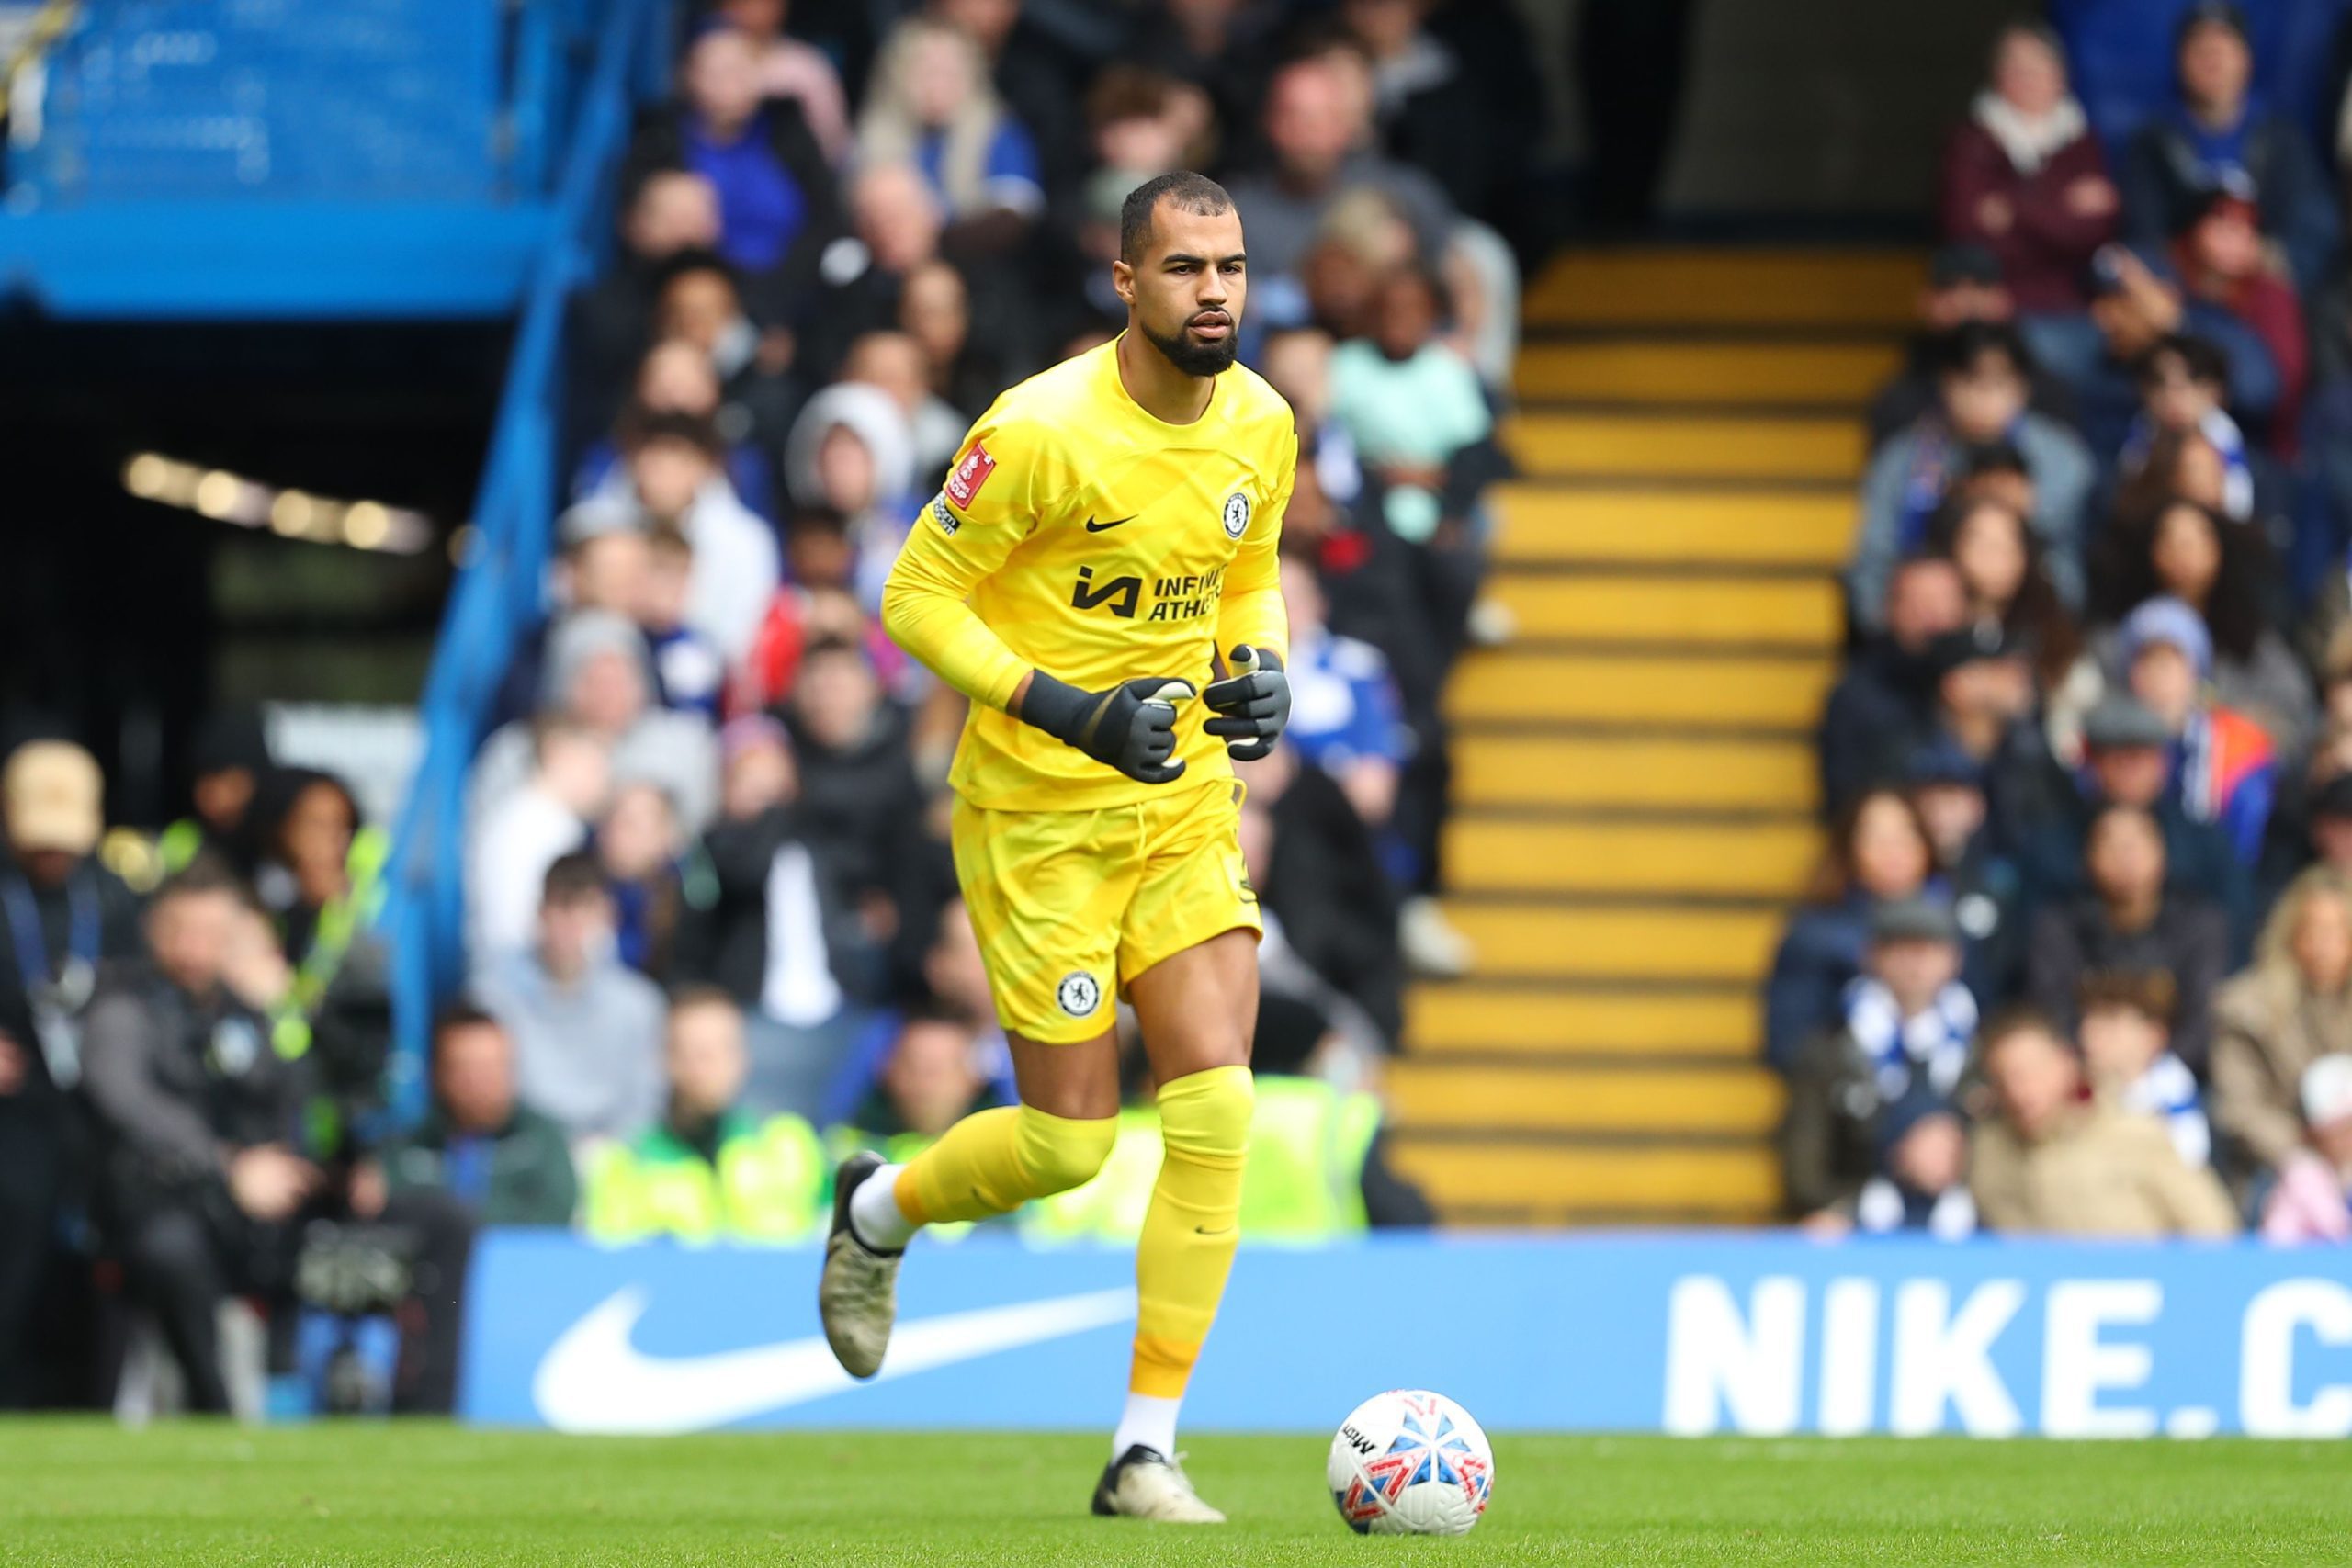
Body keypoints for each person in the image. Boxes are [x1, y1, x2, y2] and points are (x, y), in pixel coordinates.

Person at [820, 172, 1294, 1522]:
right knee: (1071, 1143)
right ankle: (880, 1209)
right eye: (1189, 267)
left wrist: (1258, 667)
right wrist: (1071, 708)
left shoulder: (1262, 422)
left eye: (1235, 267)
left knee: (1216, 1108)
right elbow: (913, 593)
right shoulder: (1036, 428)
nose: (1217, 291)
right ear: (1125, 281)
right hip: (1038, 818)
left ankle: (1145, 1447)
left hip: (1184, 803)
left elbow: (1247, 567)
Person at [0, 740, 143, 1407]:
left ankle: (93, 1399)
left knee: (101, 1260)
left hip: (96, 1110)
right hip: (13, 1116)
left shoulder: (113, 896)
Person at [1849, 322, 2093, 627]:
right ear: (1945, 384)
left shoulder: (2063, 460)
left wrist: (2026, 518)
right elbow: (1873, 562)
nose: (1983, 397)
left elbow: (2073, 569)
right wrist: (1890, 634)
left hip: (2032, 630)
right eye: (1970, 380)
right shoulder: (1900, 460)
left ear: (2022, 387)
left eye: (1998, 382)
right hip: (1923, 637)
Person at [1780, 897, 1978, 1237]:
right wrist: (1855, 1206)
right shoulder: (1831, 1050)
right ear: (1873, 957)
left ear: (1953, 960)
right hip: (1857, 1227)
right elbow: (1804, 1168)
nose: (1916, 964)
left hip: (1967, 1226)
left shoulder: (1979, 1050)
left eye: (1929, 950)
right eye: (1902, 949)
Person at [1939, 20, 2118, 379]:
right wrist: (2060, 210)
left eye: (2038, 68)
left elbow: (2094, 233)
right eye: (2016, 69)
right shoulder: (1971, 142)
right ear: (1997, 77)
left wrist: (2013, 210)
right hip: (1996, 304)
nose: (2028, 79)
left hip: (2073, 305)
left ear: (2060, 77)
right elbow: (1965, 230)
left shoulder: (2083, 145)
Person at [2121, 1, 2337, 293]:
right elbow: (2143, 234)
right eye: (2200, 50)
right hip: (2184, 294)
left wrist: (2262, 256)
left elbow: (2313, 223)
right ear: (2180, 62)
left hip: (2265, 289)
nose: (2213, 59)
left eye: (2223, 48)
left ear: (2246, 58)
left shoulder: (2281, 137)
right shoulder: (2152, 142)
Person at [583, 988, 828, 1242]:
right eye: (696, 1052)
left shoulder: (789, 1142)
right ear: (666, 1061)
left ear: (743, 1058)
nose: (711, 1065)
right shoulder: (625, 1164)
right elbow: (613, 1261)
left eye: (724, 1049)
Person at [1968, 1010, 2238, 1236]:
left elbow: (2212, 1228)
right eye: (2004, 1080)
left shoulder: (2134, 1135)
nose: (2020, 1091)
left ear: (2066, 1063)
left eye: (2031, 1072)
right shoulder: (1987, 1151)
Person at [474, 853, 666, 1147]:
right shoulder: (492, 998)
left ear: (609, 917)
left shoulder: (639, 1005)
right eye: (563, 907)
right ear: (540, 912)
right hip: (521, 1150)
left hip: (612, 1160)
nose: (573, 925)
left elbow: (646, 1105)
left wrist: (607, 1151)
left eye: (586, 909)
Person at [2027, 805, 2228, 1073]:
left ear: (2163, 852)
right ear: (2088, 857)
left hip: (2174, 1077)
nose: (2125, 855)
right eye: (2110, 843)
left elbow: (2203, 1022)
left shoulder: (2200, 923)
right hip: (2081, 1075)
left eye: (2136, 843)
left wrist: (2150, 1076)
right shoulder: (2058, 925)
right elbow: (2051, 1016)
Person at [1765, 788, 1937, 1073]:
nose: (1893, 850)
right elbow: (1786, 1045)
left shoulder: (1957, 925)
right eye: (1877, 838)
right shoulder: (1814, 937)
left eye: (1905, 835)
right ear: (1850, 848)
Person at [2211, 868, 2352, 1207]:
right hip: (2277, 1169)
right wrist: (2308, 1147)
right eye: (2312, 930)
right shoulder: (2247, 1009)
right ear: (2291, 934)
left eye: (2335, 932)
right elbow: (2238, 1110)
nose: (2322, 946)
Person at [366, 1005, 578, 1228]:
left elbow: (552, 1219)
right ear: (437, 1074)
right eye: (466, 1070)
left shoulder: (541, 1141)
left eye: (492, 1068)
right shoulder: (407, 1150)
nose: (480, 1084)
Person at [2120, 595, 2277, 866]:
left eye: (2171, 660)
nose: (2157, 675)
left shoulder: (2242, 743)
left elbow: (2248, 836)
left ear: (2196, 670)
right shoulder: (2107, 745)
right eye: (2144, 661)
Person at [1818, 558, 1968, 814]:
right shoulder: (1858, 697)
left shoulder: (1992, 682)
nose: (1932, 615)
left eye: (1942, 601)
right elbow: (1847, 802)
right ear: (1890, 609)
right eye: (1918, 602)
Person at [468, 717, 609, 975]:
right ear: (558, 752)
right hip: (525, 983)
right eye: (596, 765)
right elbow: (511, 927)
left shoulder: (536, 821)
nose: (604, 782)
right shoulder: (534, 826)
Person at [2076, 969, 2211, 1169]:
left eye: (2110, 1019)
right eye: (2089, 1017)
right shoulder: (2071, 1086)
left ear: (2154, 1034)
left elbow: (2186, 1166)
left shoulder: (2173, 1094)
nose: (2090, 1031)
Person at [157, 707, 273, 879]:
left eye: (229, 781)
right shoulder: (181, 841)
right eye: (204, 781)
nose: (214, 794)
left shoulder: (274, 846)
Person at [2259, 1055, 2352, 1242]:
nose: (2348, 1138)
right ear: (2316, 1134)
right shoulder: (2303, 1172)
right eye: (2340, 1130)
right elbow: (2336, 1231)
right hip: (2293, 1266)